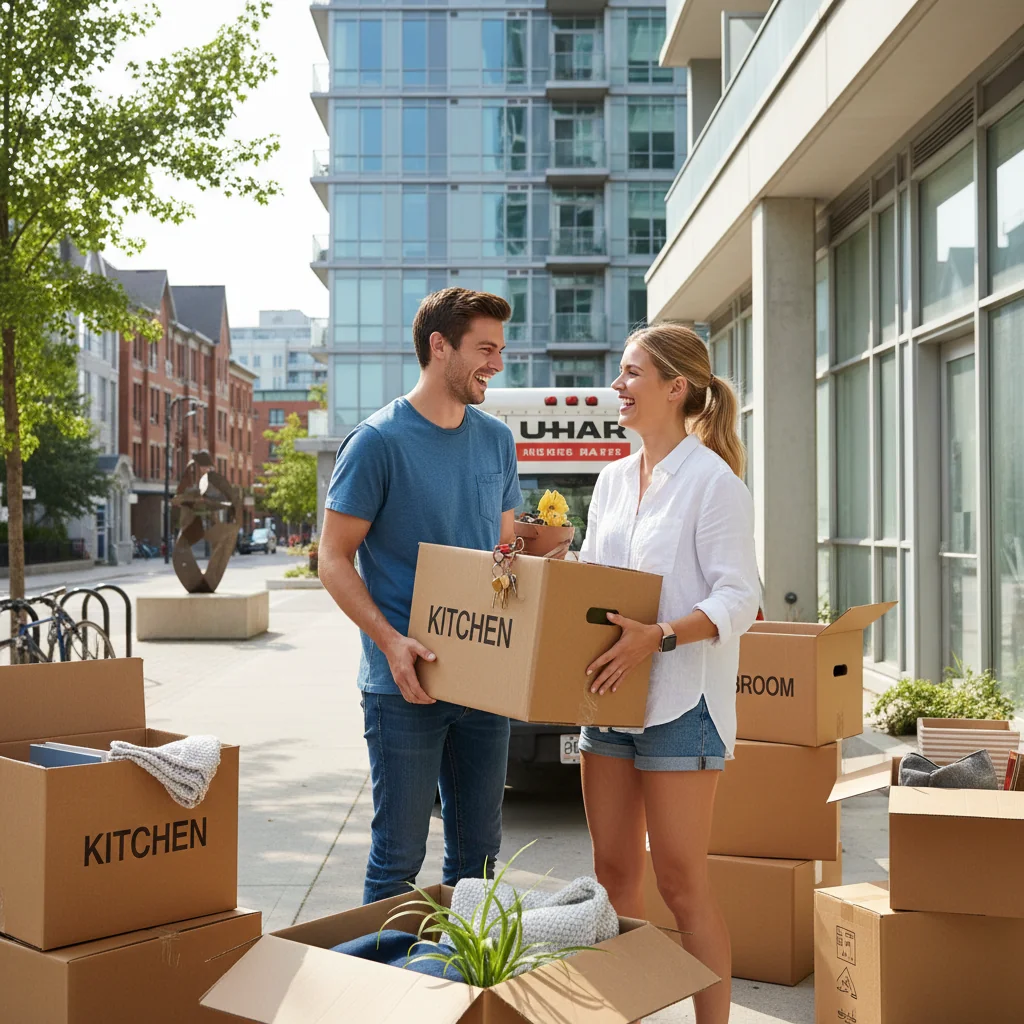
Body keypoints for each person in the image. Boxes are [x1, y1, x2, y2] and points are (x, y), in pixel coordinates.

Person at [577, 323, 760, 1024]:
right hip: (608, 698)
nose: (617, 387)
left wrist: (659, 637)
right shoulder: (614, 478)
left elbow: (739, 597)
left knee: (682, 885)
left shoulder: (714, 482)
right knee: (614, 877)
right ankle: (630, 1012)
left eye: (631, 374)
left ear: (675, 387)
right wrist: (539, 565)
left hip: (682, 703)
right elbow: (595, 582)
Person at [318, 288, 522, 905]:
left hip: (484, 682)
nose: (497, 363)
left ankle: (464, 996)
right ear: (439, 346)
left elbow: (504, 549)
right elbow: (331, 557)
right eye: (484, 349)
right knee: (397, 863)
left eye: (501, 350)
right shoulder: (378, 441)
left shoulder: (495, 441)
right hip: (404, 683)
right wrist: (389, 642)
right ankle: (385, 995)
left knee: (477, 863)